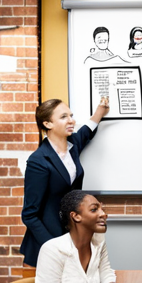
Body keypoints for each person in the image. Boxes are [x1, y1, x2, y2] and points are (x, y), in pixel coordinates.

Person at [20, 97, 109, 270]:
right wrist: (54, 246)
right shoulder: (38, 161)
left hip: (72, 238)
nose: (71, 120)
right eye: (63, 117)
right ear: (47, 124)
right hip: (44, 245)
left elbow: (86, 131)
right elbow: (29, 214)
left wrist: (100, 111)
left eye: (71, 115)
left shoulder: (73, 145)